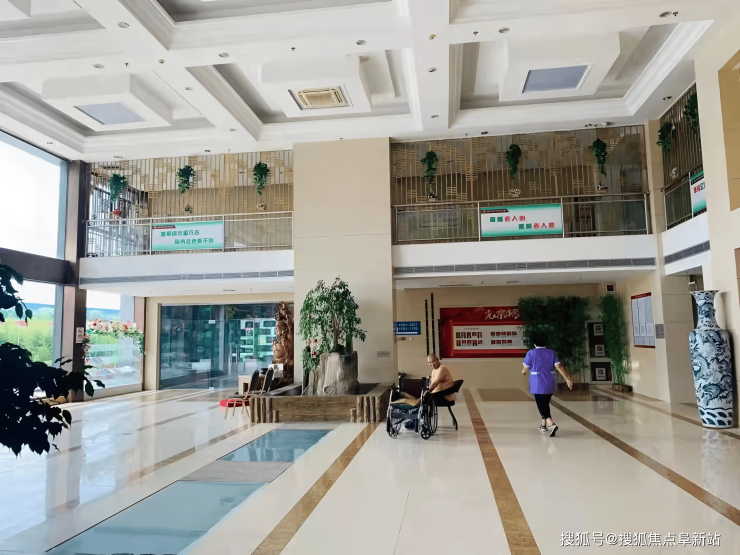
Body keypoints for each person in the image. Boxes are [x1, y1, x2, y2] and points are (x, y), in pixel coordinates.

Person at [521, 331, 572, 437]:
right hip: (550, 381)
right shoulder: (551, 352)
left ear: (534, 342)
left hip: (537, 382)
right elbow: (559, 366)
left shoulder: (531, 353)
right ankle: (543, 425)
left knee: (541, 404)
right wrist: (567, 379)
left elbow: (525, 369)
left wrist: (524, 372)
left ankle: (551, 424)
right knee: (545, 403)